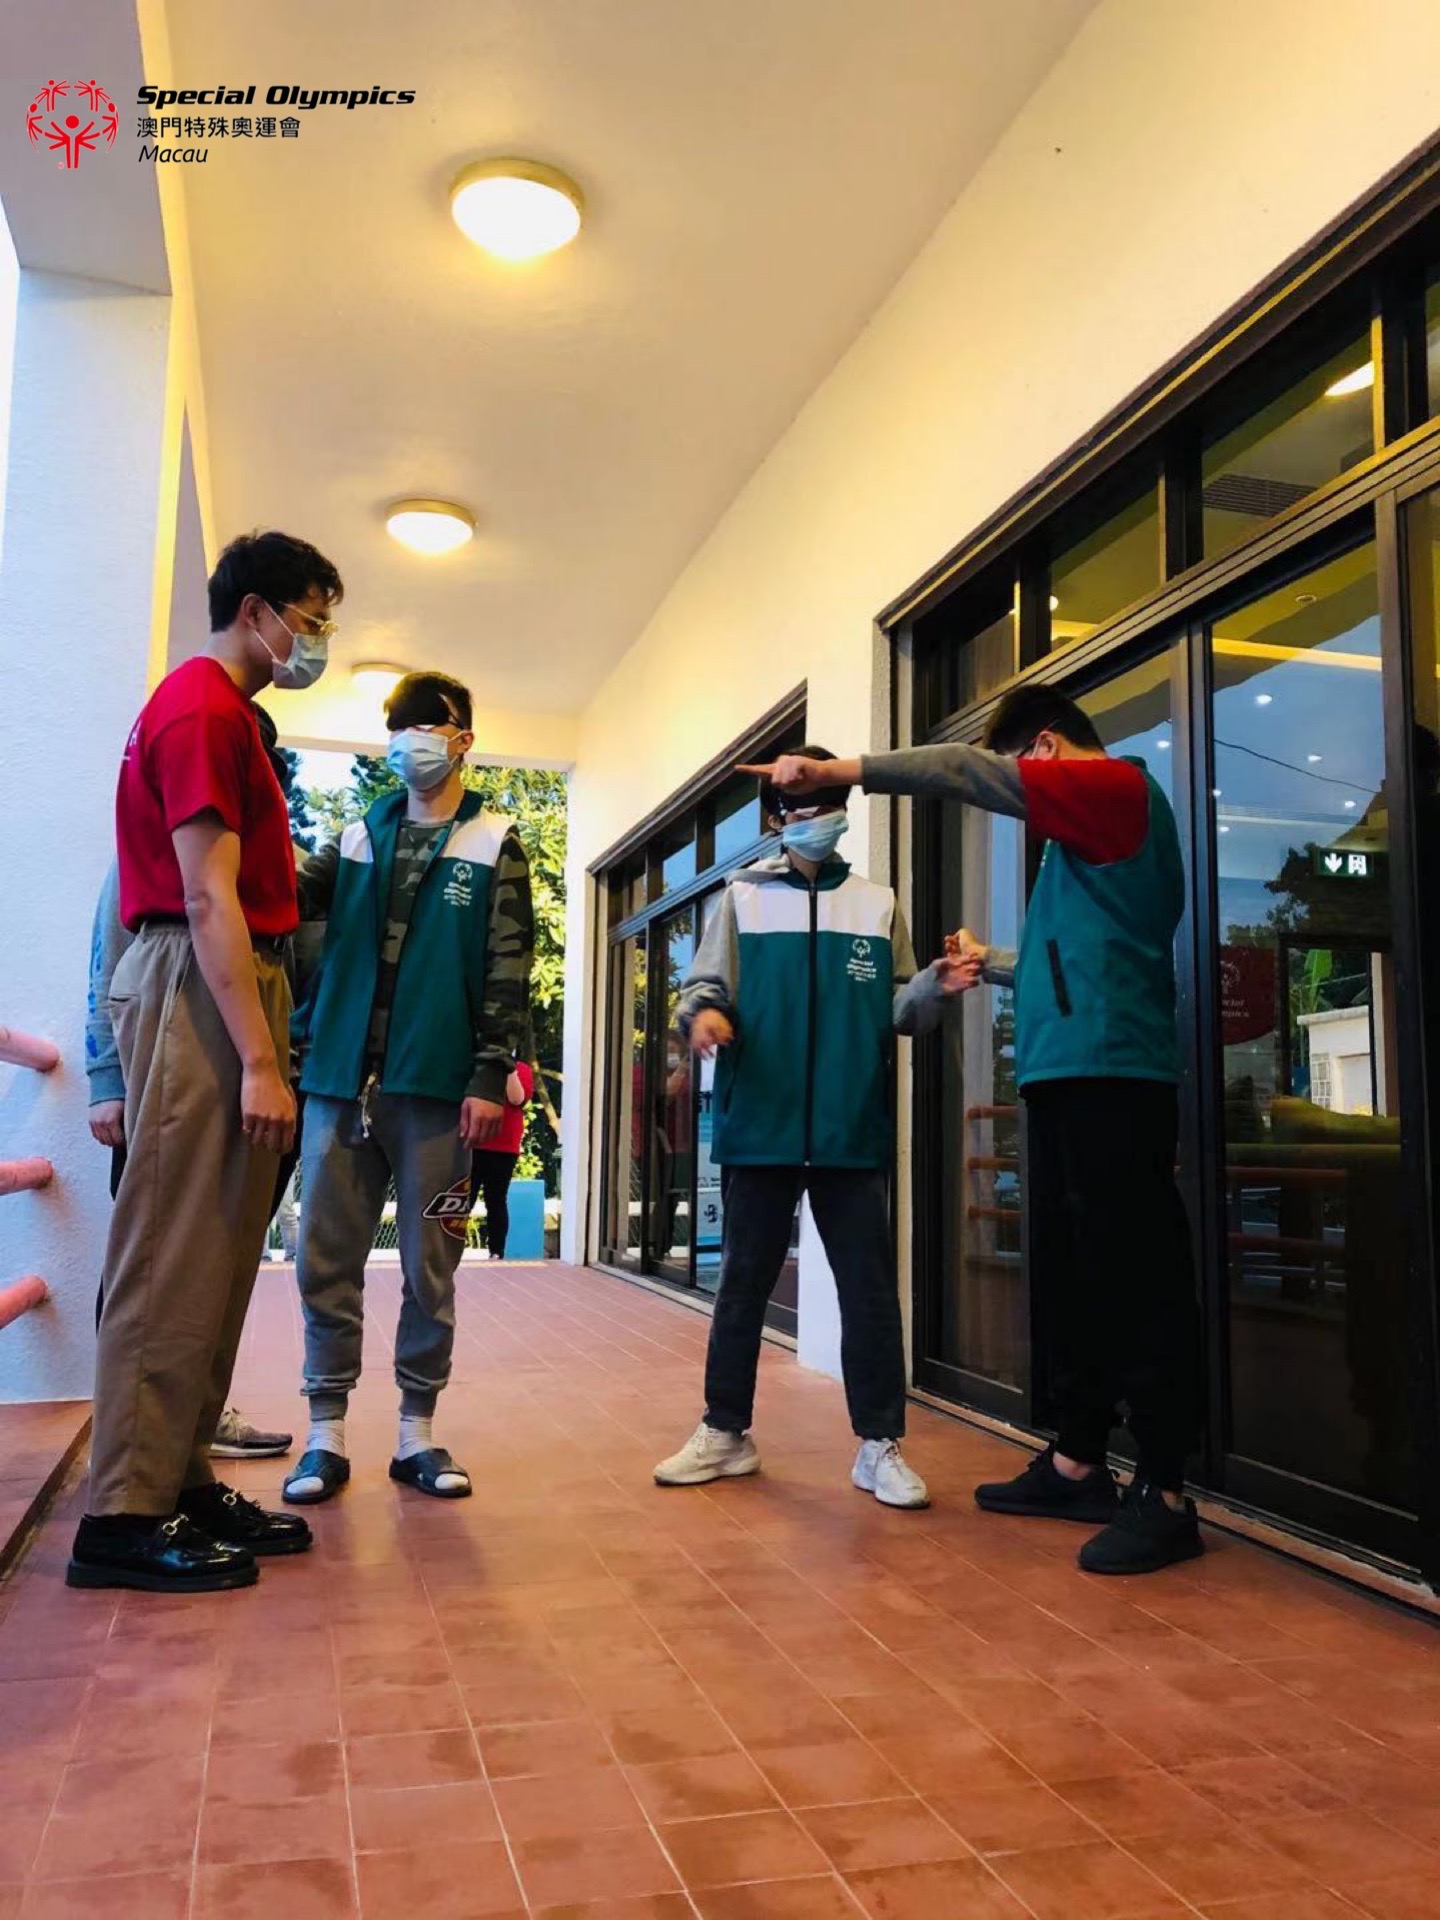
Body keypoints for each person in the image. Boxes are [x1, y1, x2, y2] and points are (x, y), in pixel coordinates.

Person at [752, 686, 1204, 1574]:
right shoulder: (1082, 842)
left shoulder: (1117, 789)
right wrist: (990, 961)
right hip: (1067, 1074)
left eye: (1021, 767)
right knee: (1076, 1279)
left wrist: (839, 773)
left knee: (1138, 1279)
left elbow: (963, 771)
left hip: (1116, 1073)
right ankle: (1078, 1462)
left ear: (1047, 747)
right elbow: (1067, 959)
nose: (1018, 788)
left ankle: (1166, 1491)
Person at [67, 530, 343, 1594]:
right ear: (257, 610)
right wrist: (261, 1063)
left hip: (223, 979)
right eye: (311, 617)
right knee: (171, 1250)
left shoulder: (226, 716)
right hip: (196, 978)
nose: (315, 639)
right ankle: (122, 1515)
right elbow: (203, 893)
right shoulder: (199, 710)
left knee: (218, 1255)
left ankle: (177, 1477)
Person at [653, 747, 963, 1508]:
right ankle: (725, 1432)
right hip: (759, 1127)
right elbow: (700, 988)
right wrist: (705, 1017)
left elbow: (903, 1011)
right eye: (802, 809)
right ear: (777, 820)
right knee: (742, 1287)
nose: (817, 819)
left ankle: (879, 1445)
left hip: (850, 1132)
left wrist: (934, 986)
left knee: (868, 1293)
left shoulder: (877, 904)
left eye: (828, 805)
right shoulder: (743, 899)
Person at [282, 671, 534, 1506]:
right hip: (339, 1086)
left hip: (440, 1097)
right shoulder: (358, 834)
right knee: (324, 1258)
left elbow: (508, 966)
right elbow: (286, 898)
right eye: (397, 725)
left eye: (426, 723)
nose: (409, 740)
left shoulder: (494, 840)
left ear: (463, 739)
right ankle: (325, 1435)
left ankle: (416, 1434)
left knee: (434, 1262)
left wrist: (490, 1072)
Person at [85, 704, 322, 1461]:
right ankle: (128, 1449)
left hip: (265, 1087)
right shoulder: (161, 844)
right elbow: (111, 955)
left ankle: (188, 1434)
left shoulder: (274, 859)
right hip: (168, 1068)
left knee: (221, 1265)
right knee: (153, 1262)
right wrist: (106, 1078)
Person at [467, 1053, 534, 1258]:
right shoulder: (476, 1065)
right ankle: (450, 1248)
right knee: (463, 1198)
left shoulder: (522, 1070)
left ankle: (496, 1252)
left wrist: (509, 1068)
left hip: (504, 1147)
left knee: (496, 1200)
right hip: (472, 1142)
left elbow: (517, 1098)